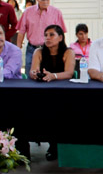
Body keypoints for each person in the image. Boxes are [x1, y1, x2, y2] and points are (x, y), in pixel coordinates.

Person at [29, 24, 75, 161]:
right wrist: (35, 74)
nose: (47, 38)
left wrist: (53, 76)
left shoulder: (68, 52)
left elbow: (69, 73)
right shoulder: (38, 52)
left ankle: (56, 146)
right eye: (46, 35)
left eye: (51, 35)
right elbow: (32, 71)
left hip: (64, 92)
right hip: (42, 91)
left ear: (60, 37)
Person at [16, 0, 67, 76]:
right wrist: (17, 49)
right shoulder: (28, 12)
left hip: (50, 50)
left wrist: (63, 49)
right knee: (30, 75)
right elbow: (21, 32)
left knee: (49, 75)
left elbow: (61, 33)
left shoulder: (56, 12)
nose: (45, 2)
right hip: (32, 49)